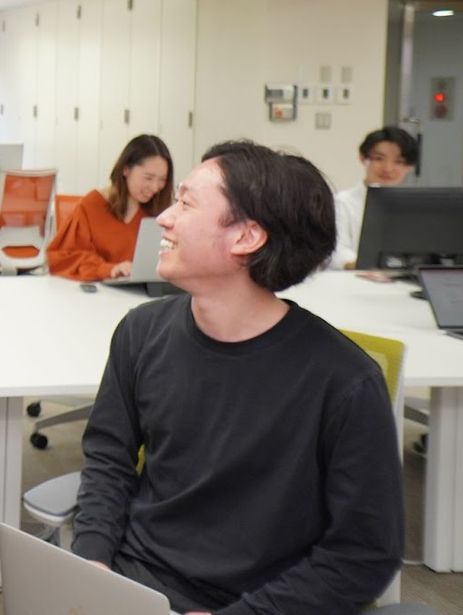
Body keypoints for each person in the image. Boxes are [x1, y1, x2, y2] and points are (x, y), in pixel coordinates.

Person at [73, 140, 403, 615]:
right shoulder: (141, 332)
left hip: (263, 603)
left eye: (186, 204)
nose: (163, 218)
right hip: (136, 586)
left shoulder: (345, 382)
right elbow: (109, 460)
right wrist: (91, 562)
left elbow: (363, 553)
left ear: (246, 237)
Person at [47, 134, 173, 281]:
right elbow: (65, 257)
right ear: (126, 169)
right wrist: (110, 269)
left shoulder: (158, 212)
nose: (155, 187)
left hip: (142, 290)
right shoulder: (91, 205)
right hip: (99, 288)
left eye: (162, 180)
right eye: (148, 178)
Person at [328, 126, 419, 270]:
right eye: (379, 159)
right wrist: (368, 267)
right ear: (362, 158)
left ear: (410, 167)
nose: (388, 168)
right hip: (355, 277)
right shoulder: (342, 202)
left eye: (399, 161)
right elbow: (337, 251)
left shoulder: (416, 206)